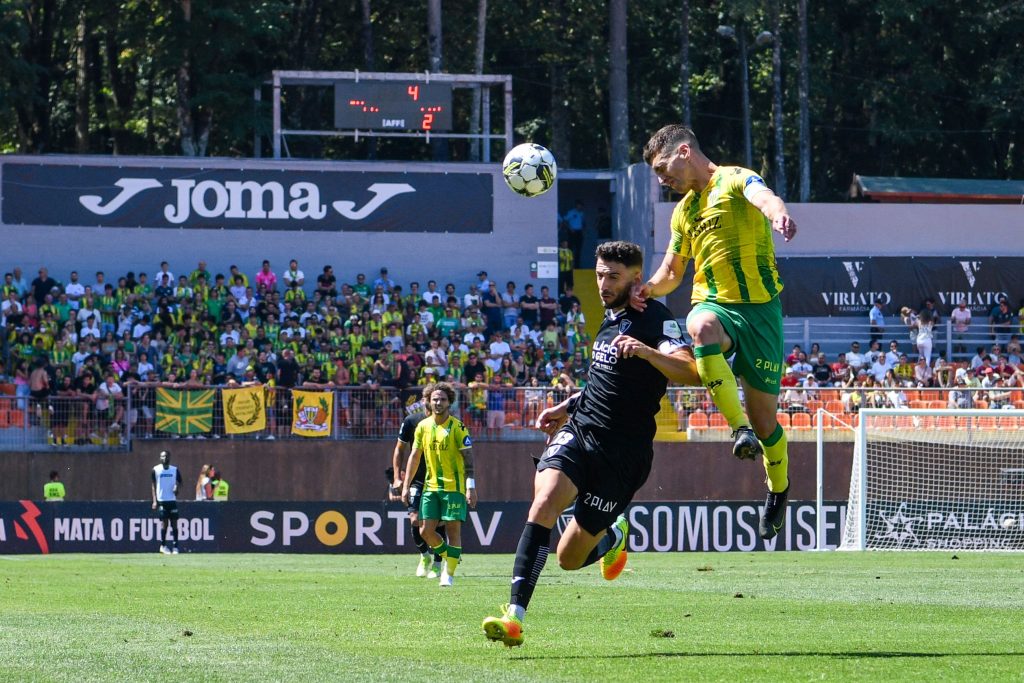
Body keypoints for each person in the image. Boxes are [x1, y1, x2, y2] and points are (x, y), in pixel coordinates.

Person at [482, 241, 698, 647]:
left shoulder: (656, 318)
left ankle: (612, 537)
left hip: (623, 455)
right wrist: (567, 405)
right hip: (581, 431)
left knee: (569, 558)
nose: (603, 283)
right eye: (600, 274)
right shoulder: (609, 317)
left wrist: (648, 352)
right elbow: (606, 381)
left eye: (613, 276)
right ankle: (513, 616)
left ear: (637, 278)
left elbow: (691, 370)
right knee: (544, 503)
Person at [636, 124, 797, 540]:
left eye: (662, 167)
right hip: (715, 306)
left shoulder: (735, 178)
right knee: (699, 325)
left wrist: (777, 212)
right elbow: (673, 271)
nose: (661, 179)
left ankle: (778, 490)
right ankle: (737, 427)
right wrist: (649, 289)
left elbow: (763, 197)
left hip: (762, 313)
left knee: (768, 423)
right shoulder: (683, 212)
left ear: (684, 151)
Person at [401, 382, 475, 588]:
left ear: (449, 402)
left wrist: (471, 487)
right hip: (430, 487)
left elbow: (469, 459)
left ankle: (448, 573)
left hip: (454, 488)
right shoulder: (422, 427)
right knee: (425, 531)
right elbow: (414, 457)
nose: (438, 402)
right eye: (434, 399)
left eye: (442, 399)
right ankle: (452, 556)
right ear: (427, 401)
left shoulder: (458, 427)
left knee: (453, 532)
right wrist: (406, 485)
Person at [390, 383, 446, 578]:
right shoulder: (412, 421)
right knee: (415, 520)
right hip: (417, 479)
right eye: (429, 398)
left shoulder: (446, 423)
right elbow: (400, 449)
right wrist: (397, 478)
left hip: (439, 479)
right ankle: (425, 555)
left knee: (438, 524)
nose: (432, 402)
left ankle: (439, 562)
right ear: (426, 400)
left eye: (438, 399)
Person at [151, 450, 182, 555]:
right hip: (161, 500)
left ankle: (175, 547)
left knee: (174, 523)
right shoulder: (156, 470)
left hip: (172, 500)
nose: (164, 458)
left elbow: (180, 482)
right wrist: (154, 501)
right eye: (162, 456)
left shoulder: (175, 470)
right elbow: (153, 486)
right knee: (164, 523)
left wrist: (177, 487)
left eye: (166, 456)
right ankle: (163, 546)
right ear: (160, 458)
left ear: (169, 457)